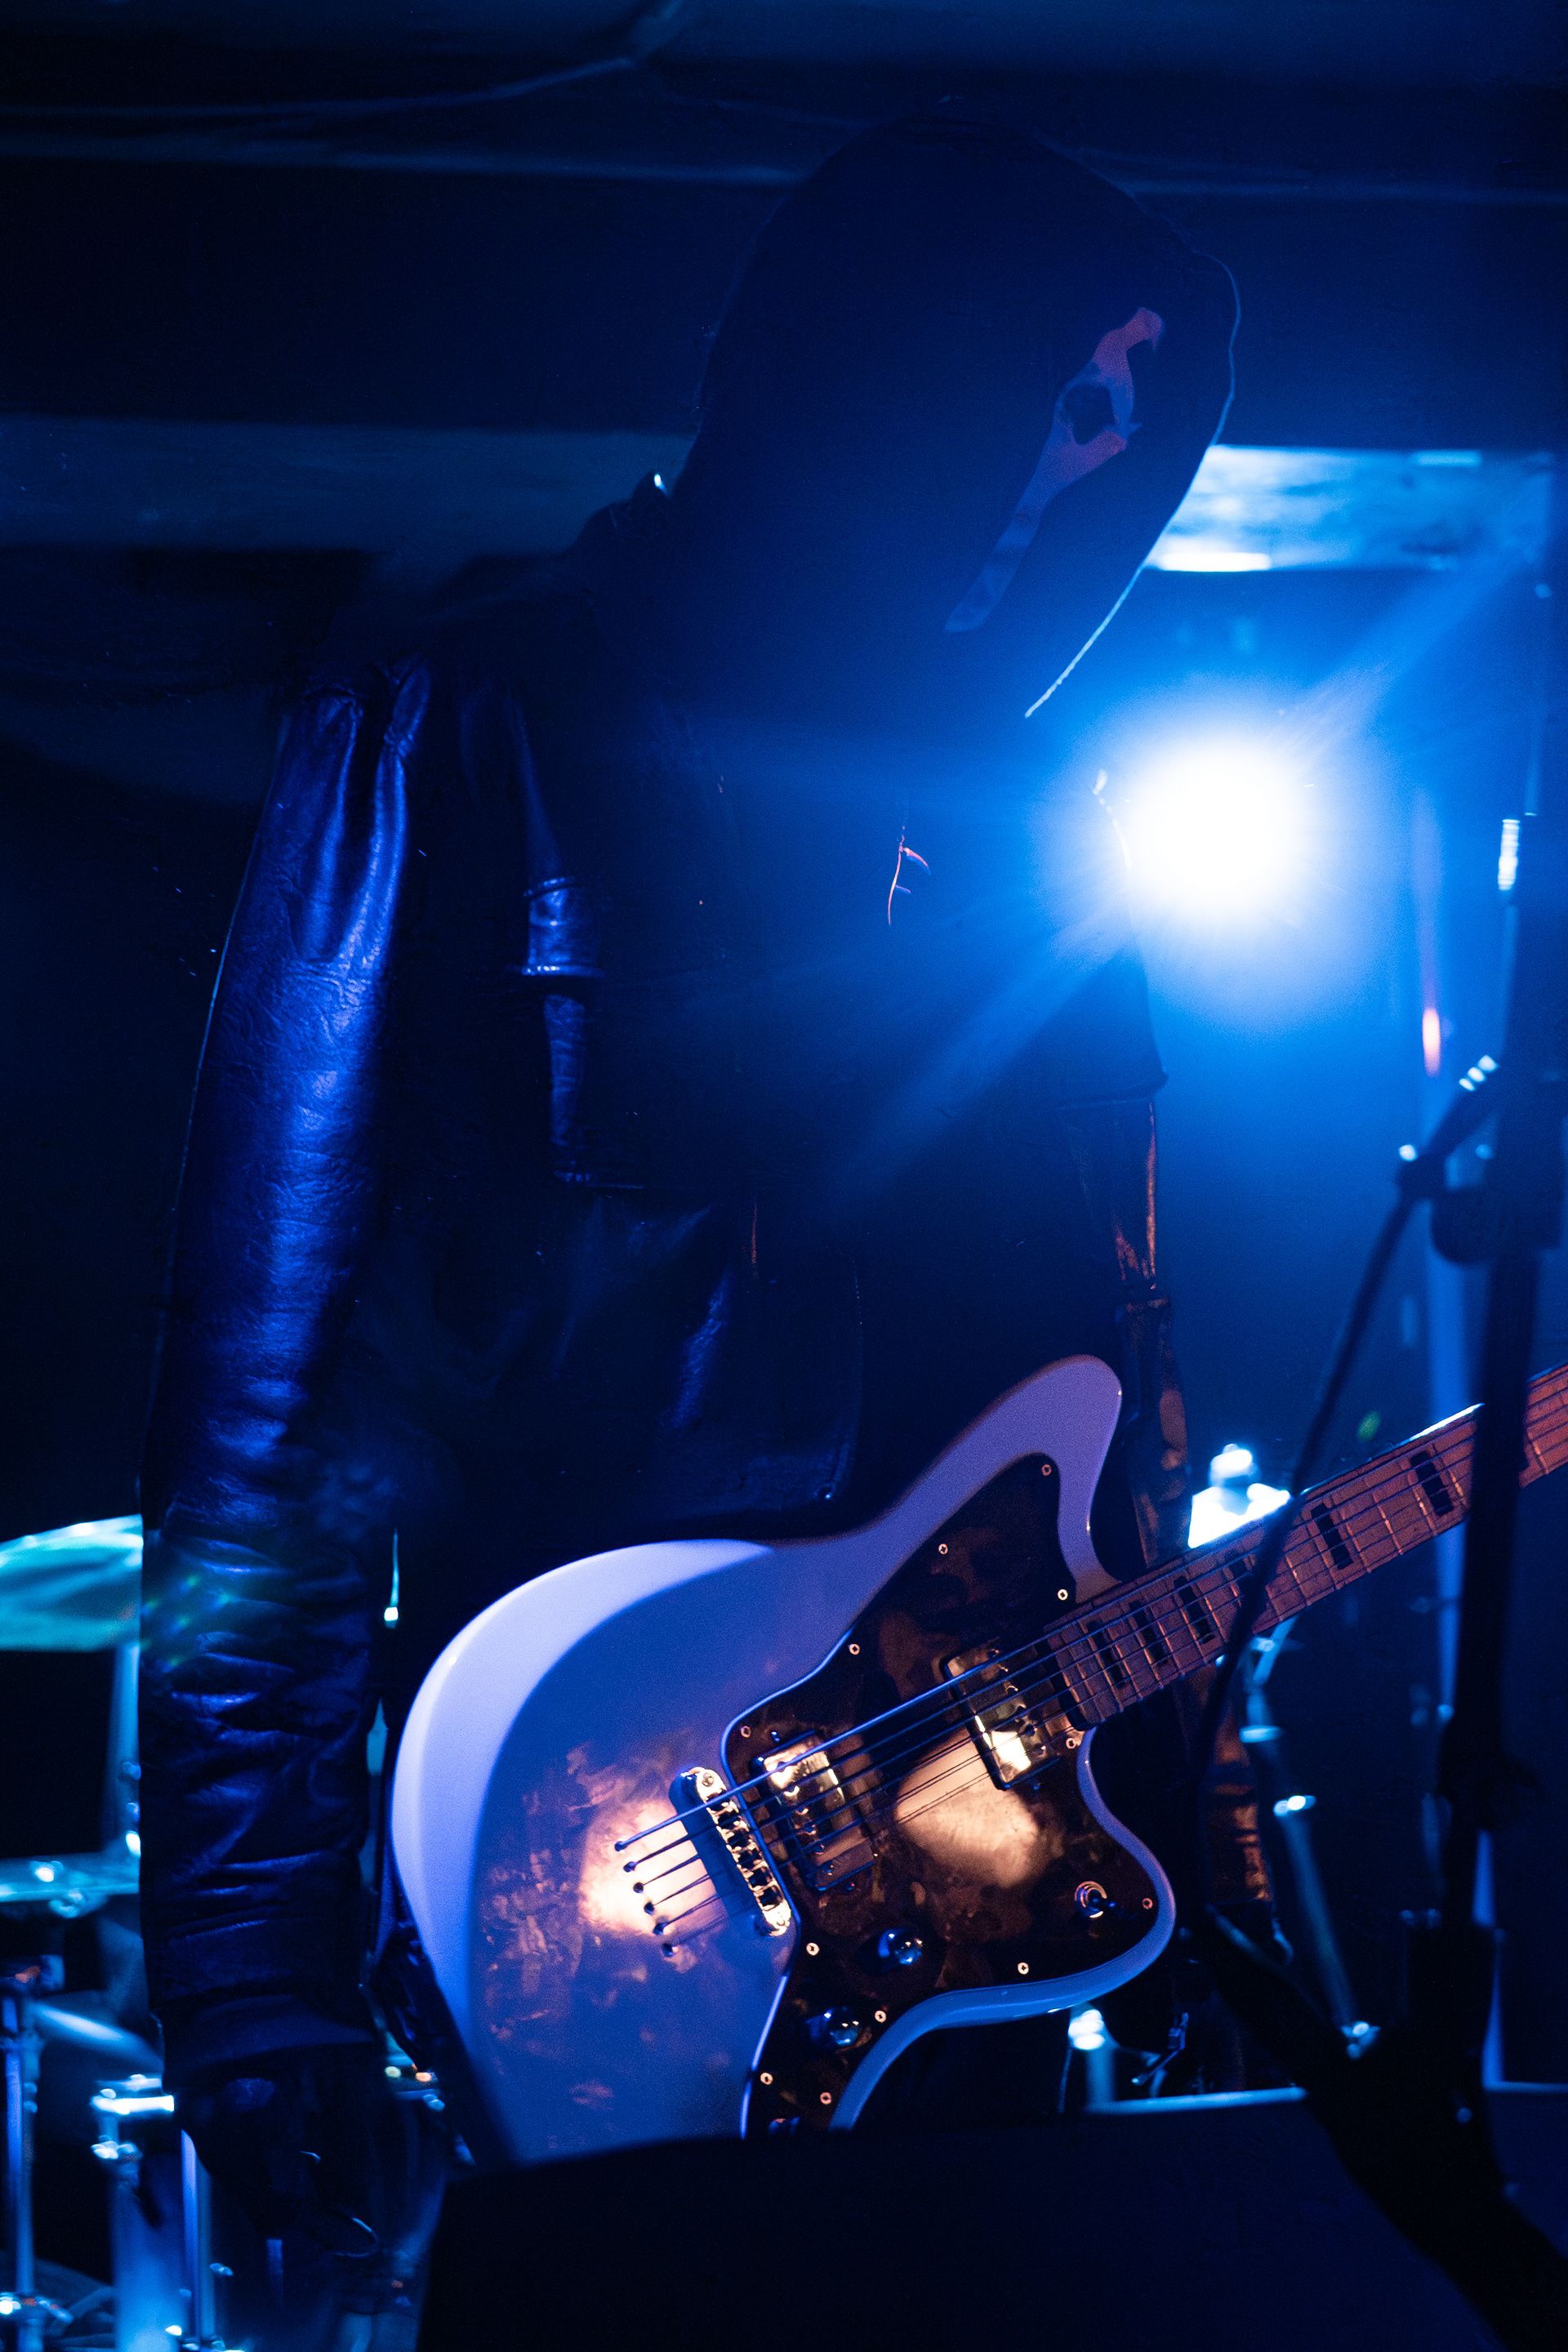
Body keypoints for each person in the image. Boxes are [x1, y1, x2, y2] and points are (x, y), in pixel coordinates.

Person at [138, 103, 1272, 2296]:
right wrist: (251, 1977)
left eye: (1123, 431)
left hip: (979, 1918)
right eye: (1046, 402)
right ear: (876, 380)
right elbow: (268, 1399)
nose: (1070, 474)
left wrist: (1189, 1865)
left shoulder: (1042, 817)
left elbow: (1111, 1402)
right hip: (594, 1886)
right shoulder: (467, 723)